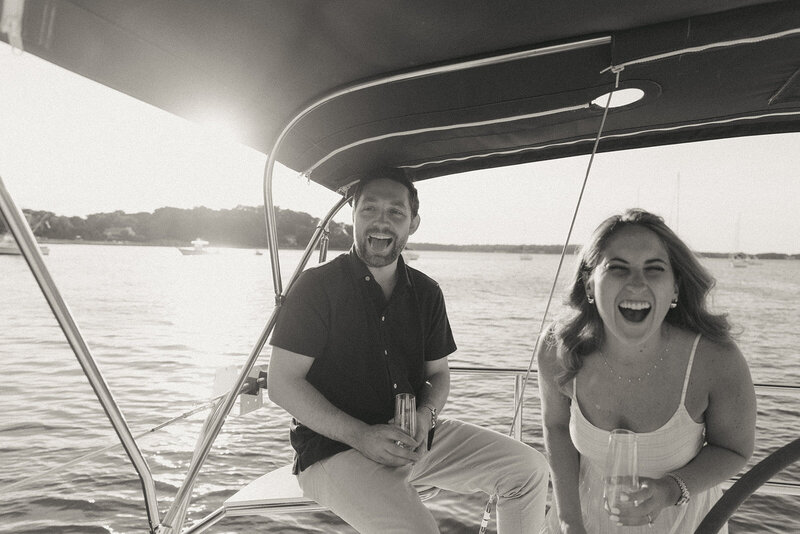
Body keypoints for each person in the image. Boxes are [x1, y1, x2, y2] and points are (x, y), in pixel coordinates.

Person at [267, 168, 549, 533]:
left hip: (411, 439)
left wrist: (425, 414)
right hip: (334, 449)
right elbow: (282, 383)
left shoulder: (427, 293)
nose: (381, 223)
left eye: (395, 212)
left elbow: (438, 374)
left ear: (413, 223)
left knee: (528, 470)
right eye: (369, 210)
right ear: (352, 215)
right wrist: (360, 435)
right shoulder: (317, 286)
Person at [537, 208, 756, 533]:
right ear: (589, 283)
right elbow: (556, 428)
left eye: (653, 269)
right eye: (618, 268)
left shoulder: (715, 359)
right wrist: (570, 521)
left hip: (683, 523)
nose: (637, 283)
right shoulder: (560, 348)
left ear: (676, 287)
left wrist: (670, 489)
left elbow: (735, 449)